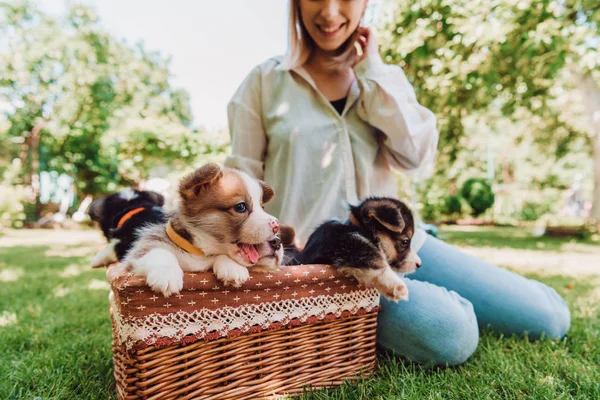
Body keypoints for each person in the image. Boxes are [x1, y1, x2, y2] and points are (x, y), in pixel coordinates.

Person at [224, 0, 570, 366]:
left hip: (405, 244)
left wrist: (371, 71)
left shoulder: (384, 78)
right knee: (448, 331)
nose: (329, 12)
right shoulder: (263, 83)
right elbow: (239, 191)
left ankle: (433, 273)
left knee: (550, 318)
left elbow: (416, 157)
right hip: (324, 265)